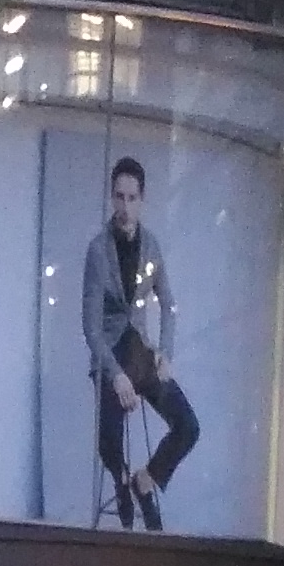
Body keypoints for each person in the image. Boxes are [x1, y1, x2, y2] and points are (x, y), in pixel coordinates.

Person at [83, 155, 201, 529]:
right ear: (111, 198)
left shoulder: (151, 246)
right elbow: (90, 326)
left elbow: (169, 304)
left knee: (188, 425)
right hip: (111, 352)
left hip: (140, 349)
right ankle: (120, 480)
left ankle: (145, 482)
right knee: (109, 438)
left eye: (132, 198)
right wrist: (116, 375)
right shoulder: (97, 251)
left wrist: (166, 352)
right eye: (119, 197)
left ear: (142, 200)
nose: (125, 206)